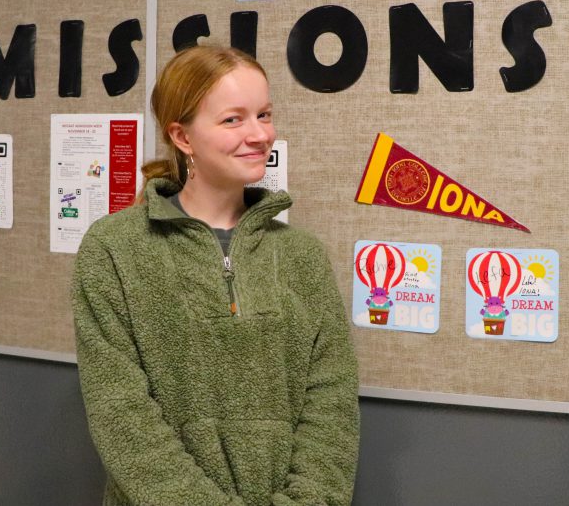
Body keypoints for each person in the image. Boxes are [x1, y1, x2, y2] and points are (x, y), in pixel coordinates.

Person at [73, 46, 360, 506]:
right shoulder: (114, 250)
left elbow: (331, 404)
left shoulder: (302, 256)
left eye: (264, 115)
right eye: (233, 120)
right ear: (182, 136)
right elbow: (121, 414)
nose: (258, 134)